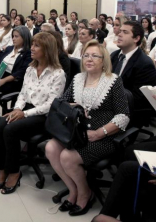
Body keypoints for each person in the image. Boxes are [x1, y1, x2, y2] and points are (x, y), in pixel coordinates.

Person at [45, 40, 129, 216]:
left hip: (105, 136)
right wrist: (73, 104)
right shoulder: (78, 79)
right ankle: (73, 190)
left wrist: (100, 133)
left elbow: (123, 116)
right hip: (78, 132)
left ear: (103, 60)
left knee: (67, 157)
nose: (89, 59)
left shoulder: (114, 81)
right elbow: (63, 102)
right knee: (51, 148)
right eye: (86, 55)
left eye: (94, 56)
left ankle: (85, 193)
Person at [0, 32, 66, 194]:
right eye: (32, 44)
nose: (31, 48)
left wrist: (24, 114)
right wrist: (17, 109)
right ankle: (3, 168)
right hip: (26, 110)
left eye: (36, 45)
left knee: (10, 129)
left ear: (47, 50)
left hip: (44, 116)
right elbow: (23, 94)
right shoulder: (30, 69)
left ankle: (14, 172)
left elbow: (51, 105)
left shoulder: (58, 74)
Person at [0, 26, 33, 141]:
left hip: (14, 81)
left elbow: (22, 71)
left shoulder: (28, 52)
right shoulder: (9, 49)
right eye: (13, 36)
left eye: (16, 36)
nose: (13, 39)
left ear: (24, 37)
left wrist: (3, 80)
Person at [111, 21, 156, 127]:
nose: (119, 34)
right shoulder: (114, 55)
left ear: (136, 39)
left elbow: (137, 98)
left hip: (127, 109)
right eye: (120, 31)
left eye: (125, 32)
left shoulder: (144, 63)